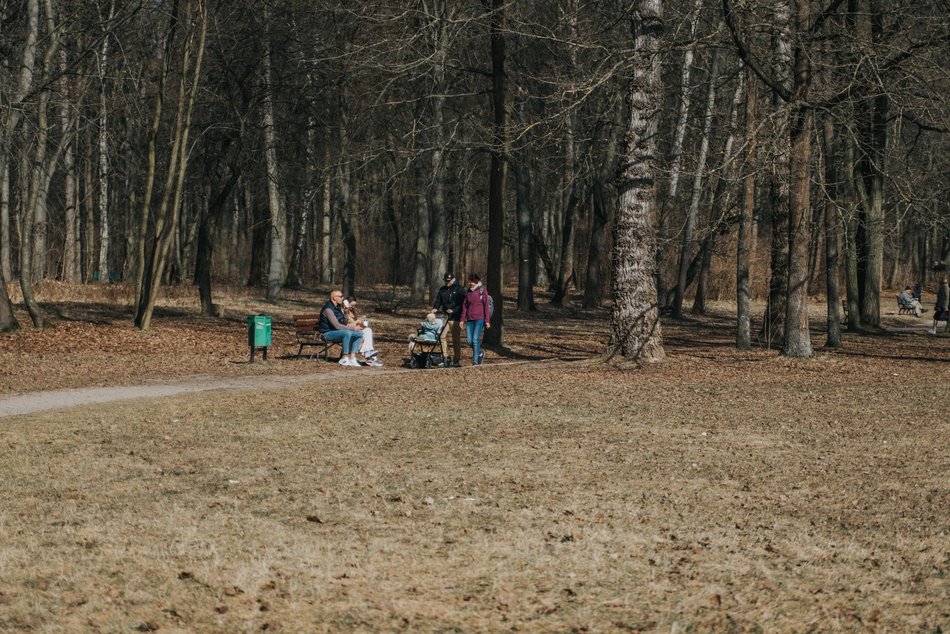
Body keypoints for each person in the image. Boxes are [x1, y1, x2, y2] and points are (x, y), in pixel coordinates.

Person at [318, 289, 365, 366]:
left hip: (337, 332)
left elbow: (344, 323)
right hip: (327, 333)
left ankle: (352, 358)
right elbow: (337, 325)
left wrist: (346, 312)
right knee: (347, 332)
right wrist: (354, 328)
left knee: (359, 334)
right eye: (341, 296)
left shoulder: (338, 308)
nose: (343, 298)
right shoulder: (328, 309)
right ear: (334, 298)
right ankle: (344, 358)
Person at [432, 272, 466, 367]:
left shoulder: (460, 289)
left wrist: (454, 310)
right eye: (446, 281)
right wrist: (435, 307)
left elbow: (463, 304)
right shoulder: (442, 290)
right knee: (441, 336)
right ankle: (445, 356)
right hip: (444, 317)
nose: (447, 282)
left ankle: (456, 359)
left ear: (453, 280)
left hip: (455, 318)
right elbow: (438, 300)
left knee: (456, 339)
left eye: (449, 281)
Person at [460, 273, 490, 366]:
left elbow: (486, 306)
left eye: (472, 282)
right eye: (470, 282)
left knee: (475, 339)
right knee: (469, 341)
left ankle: (475, 361)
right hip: (470, 319)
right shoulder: (468, 292)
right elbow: (465, 306)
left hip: (479, 319)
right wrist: (462, 319)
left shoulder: (482, 290)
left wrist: (487, 321)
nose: (470, 283)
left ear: (476, 282)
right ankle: (480, 352)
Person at [344, 296, 382, 366]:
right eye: (352, 305)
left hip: (355, 329)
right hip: (348, 331)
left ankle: (369, 353)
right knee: (366, 332)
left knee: (368, 330)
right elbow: (346, 326)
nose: (353, 307)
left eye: (354, 305)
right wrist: (357, 322)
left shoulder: (352, 312)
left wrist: (361, 322)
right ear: (346, 303)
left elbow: (355, 323)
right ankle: (370, 356)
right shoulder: (344, 312)